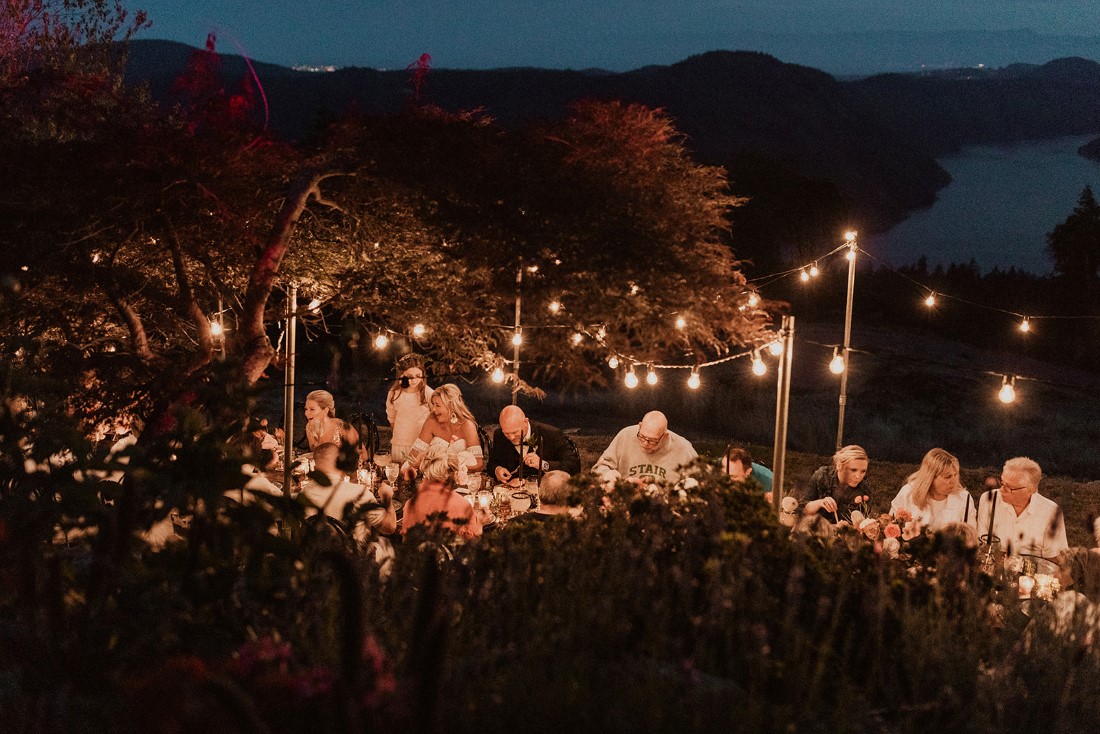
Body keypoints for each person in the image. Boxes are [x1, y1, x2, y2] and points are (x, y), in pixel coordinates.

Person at [976, 456, 1068, 559]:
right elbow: (982, 545)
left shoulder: (1051, 512)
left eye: (1009, 487)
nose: (1001, 490)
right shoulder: (988, 500)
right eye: (1002, 483)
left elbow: (1055, 558)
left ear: (1031, 489)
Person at [300, 442, 397, 535]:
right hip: (352, 552)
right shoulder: (359, 494)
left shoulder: (304, 494)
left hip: (315, 552)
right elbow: (389, 527)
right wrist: (386, 497)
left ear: (315, 467)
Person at [402, 441, 482, 541]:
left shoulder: (410, 505)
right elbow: (473, 546)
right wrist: (480, 523)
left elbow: (406, 547)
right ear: (454, 473)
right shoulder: (462, 505)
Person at [592, 411, 698, 486]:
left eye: (652, 440)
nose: (645, 443)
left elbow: (702, 481)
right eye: (642, 437)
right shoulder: (625, 436)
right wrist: (608, 476)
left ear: (665, 436)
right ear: (640, 426)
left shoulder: (683, 448)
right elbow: (599, 468)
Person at [402, 383, 484, 476]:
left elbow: (479, 464)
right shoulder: (431, 420)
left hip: (462, 480)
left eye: (437, 405)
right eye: (433, 404)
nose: (433, 409)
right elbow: (415, 454)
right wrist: (413, 463)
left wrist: (447, 468)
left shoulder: (467, 425)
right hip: (434, 478)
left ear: (451, 406)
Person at [488, 405, 581, 487]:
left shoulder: (551, 434)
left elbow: (573, 466)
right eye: (507, 434)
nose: (511, 437)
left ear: (525, 422)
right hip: (512, 492)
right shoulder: (499, 435)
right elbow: (492, 464)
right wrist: (497, 470)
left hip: (546, 492)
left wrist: (543, 464)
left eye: (515, 432)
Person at [890, 448, 976, 533]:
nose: (954, 481)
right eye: (947, 477)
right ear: (930, 477)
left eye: (955, 475)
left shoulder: (964, 498)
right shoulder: (907, 493)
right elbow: (891, 530)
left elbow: (972, 538)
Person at [801, 444, 872, 522]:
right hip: (815, 528)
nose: (858, 476)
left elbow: (861, 526)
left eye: (863, 471)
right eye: (853, 470)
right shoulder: (822, 476)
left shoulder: (864, 491)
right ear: (839, 465)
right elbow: (803, 510)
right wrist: (820, 503)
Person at [386, 354, 433, 462]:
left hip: (421, 446)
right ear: (401, 375)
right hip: (400, 444)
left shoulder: (428, 393)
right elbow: (391, 419)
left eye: (418, 375)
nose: (414, 380)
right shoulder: (394, 394)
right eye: (409, 376)